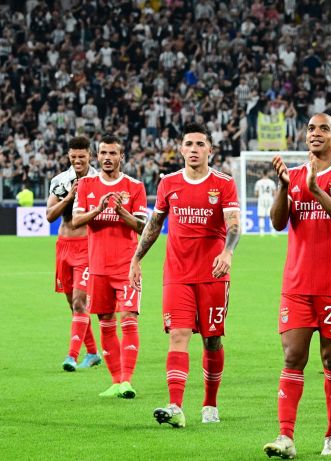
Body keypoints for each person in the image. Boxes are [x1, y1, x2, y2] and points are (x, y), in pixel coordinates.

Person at [263, 113, 331, 458]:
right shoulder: (293, 176)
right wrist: (282, 186)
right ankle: (286, 437)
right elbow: (278, 223)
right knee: (292, 356)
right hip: (297, 283)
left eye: (324, 129)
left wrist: (316, 190)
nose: (315, 133)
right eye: (310, 128)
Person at [129, 123, 241, 428]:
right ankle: (175, 405)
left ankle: (210, 403)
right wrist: (137, 257)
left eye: (199, 144)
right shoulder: (169, 184)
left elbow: (233, 225)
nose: (194, 149)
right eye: (188, 144)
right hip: (177, 275)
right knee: (178, 335)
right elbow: (154, 225)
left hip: (213, 274)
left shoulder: (224, 183)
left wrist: (227, 252)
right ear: (181, 149)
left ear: (209, 150)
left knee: (212, 340)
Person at [73, 134, 147, 399]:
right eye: (103, 153)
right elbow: (77, 220)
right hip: (98, 267)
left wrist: (120, 212)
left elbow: (142, 226)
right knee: (105, 320)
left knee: (128, 318)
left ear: (121, 157)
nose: (107, 158)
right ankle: (115, 381)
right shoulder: (86, 185)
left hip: (127, 266)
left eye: (112, 153)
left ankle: (127, 380)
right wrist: (99, 208)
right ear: (97, 156)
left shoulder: (134, 186)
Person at [46, 136, 101, 371]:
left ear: (90, 155)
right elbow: (49, 215)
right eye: (74, 156)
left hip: (86, 246)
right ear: (69, 156)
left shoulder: (99, 181)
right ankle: (93, 353)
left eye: (82, 156)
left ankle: (71, 356)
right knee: (72, 303)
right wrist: (69, 197)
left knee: (80, 302)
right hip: (64, 246)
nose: (78, 160)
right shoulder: (60, 181)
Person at [255, 170, 277, 235]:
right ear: (268, 174)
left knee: (261, 216)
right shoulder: (272, 182)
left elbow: (256, 194)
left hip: (261, 199)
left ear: (262, 174)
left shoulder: (258, 182)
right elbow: (274, 193)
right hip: (270, 199)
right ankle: (272, 232)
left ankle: (262, 232)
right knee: (271, 216)